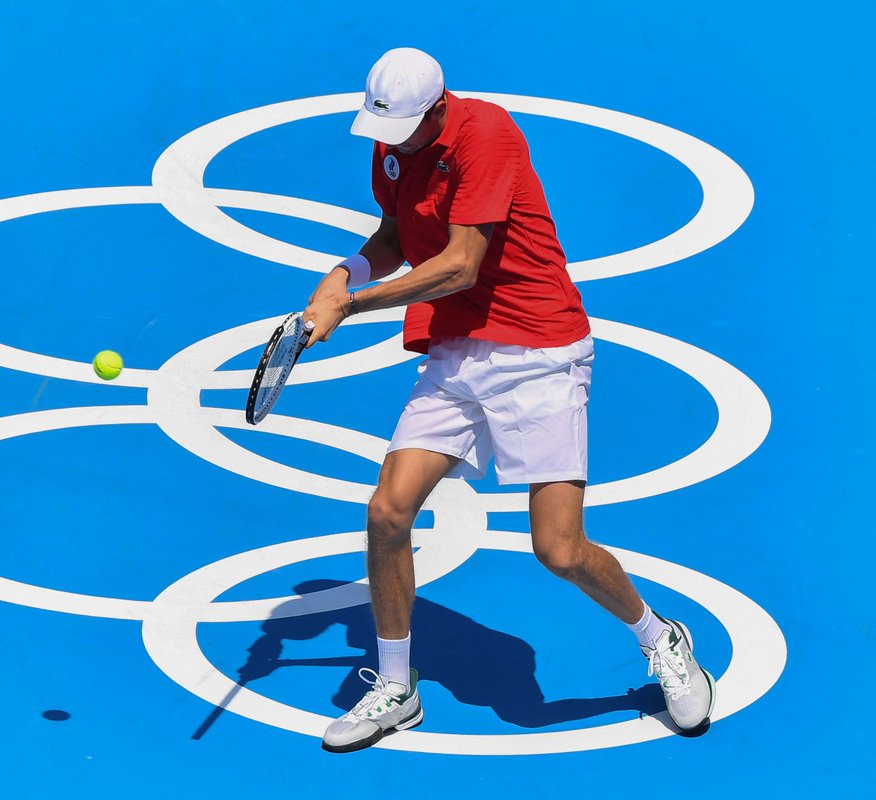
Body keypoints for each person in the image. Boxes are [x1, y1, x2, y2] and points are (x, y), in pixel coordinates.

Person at [301, 47, 715, 754]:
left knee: (558, 549)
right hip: (457, 350)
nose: (388, 142)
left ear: (438, 108)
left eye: (402, 127)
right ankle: (397, 687)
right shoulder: (393, 144)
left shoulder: (486, 134)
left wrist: (352, 305)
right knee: (388, 510)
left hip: (539, 351)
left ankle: (660, 638)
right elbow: (398, 236)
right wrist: (343, 272)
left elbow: (460, 264)